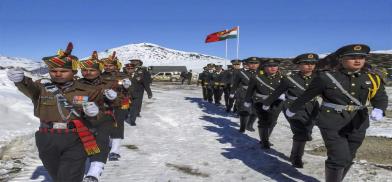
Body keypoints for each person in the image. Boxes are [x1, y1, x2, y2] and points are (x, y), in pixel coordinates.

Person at [286, 44, 388, 182]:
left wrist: (379, 108)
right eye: (352, 57)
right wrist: (292, 109)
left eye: (361, 57)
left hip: (358, 122)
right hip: (332, 121)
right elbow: (307, 95)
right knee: (338, 157)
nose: (357, 60)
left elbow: (380, 97)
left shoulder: (372, 78)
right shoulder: (326, 77)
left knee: (349, 156)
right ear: (341, 59)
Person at [7, 43, 102, 182]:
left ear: (74, 72)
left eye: (63, 70)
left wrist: (94, 113)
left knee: (69, 178)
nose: (57, 74)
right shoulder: (42, 86)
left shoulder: (88, 91)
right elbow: (29, 87)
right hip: (47, 138)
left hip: (75, 137)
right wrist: (20, 80)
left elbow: (100, 117)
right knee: (57, 176)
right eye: (53, 70)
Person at [262, 53, 319, 167]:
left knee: (307, 130)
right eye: (306, 63)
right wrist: (267, 103)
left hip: (313, 107)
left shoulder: (319, 78)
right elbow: (277, 92)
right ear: (299, 65)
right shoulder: (290, 79)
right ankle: (296, 157)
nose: (310, 66)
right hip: (293, 107)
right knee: (300, 131)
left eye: (312, 63)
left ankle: (295, 153)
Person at [78, 51, 119, 182]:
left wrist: (114, 98)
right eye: (84, 70)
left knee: (101, 139)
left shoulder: (109, 83)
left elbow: (119, 100)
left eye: (91, 70)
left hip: (103, 116)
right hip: (81, 116)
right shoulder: (76, 84)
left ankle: (95, 170)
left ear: (99, 70)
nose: (87, 72)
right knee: (84, 141)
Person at [244, 59, 284, 148]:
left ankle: (265, 138)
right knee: (263, 121)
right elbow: (250, 91)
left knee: (273, 122)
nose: (273, 68)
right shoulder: (256, 77)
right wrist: (247, 100)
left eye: (275, 65)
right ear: (264, 67)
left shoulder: (283, 78)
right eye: (269, 66)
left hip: (277, 103)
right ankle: (264, 141)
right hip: (260, 102)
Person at [101, 52, 132, 161]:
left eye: (110, 65)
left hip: (119, 104)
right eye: (106, 65)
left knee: (118, 125)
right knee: (104, 125)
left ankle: (115, 150)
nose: (108, 67)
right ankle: (107, 144)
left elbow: (129, 90)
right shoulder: (100, 76)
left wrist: (127, 86)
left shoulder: (123, 75)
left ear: (115, 66)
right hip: (103, 104)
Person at [231, 57, 259, 133]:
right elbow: (235, 84)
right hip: (244, 93)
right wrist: (232, 92)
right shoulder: (241, 73)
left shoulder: (262, 73)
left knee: (255, 111)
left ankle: (249, 125)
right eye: (251, 63)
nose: (253, 65)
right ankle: (242, 127)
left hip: (257, 94)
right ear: (248, 64)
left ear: (258, 64)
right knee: (245, 111)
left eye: (256, 63)